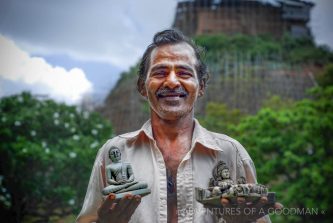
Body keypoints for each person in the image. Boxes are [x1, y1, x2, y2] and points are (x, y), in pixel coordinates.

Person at [76, 29, 281, 223]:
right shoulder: (114, 151)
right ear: (141, 86)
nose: (172, 82)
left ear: (201, 86)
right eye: (160, 72)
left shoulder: (230, 153)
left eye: (184, 73)